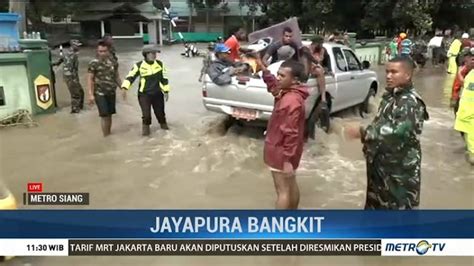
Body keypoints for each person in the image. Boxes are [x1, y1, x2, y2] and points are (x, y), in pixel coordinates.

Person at [346, 57, 429, 209]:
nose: (388, 76)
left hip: (398, 176)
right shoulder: (391, 97)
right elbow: (381, 123)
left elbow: (399, 132)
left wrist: (363, 132)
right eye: (387, 72)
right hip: (382, 171)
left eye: (394, 72)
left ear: (407, 75)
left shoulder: (410, 102)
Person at [255, 56, 309, 209]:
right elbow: (274, 88)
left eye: (282, 76)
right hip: (290, 151)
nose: (278, 78)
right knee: (291, 184)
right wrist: (264, 69)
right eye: (278, 74)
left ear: (295, 80)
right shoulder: (291, 94)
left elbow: (290, 132)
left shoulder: (289, 101)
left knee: (283, 191)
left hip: (281, 150)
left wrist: (286, 160)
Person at [121, 45, 170, 135]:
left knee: (161, 114)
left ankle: (166, 132)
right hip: (144, 95)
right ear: (146, 54)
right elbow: (130, 77)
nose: (154, 55)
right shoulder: (139, 65)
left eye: (155, 53)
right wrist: (124, 88)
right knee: (146, 116)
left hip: (157, 94)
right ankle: (146, 136)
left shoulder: (160, 64)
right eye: (152, 53)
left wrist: (166, 91)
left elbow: (164, 78)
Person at [87, 41, 121, 137]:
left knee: (110, 114)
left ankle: (108, 134)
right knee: (104, 115)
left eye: (104, 51)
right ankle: (105, 136)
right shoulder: (94, 63)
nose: (102, 53)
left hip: (111, 91)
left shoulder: (113, 62)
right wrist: (90, 94)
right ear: (97, 51)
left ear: (108, 51)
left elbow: (116, 77)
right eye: (100, 51)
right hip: (99, 92)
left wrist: (123, 88)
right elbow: (90, 79)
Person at [454, 48, 474, 165]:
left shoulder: (471, 73)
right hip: (466, 110)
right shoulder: (470, 74)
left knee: (470, 134)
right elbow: (465, 84)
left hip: (468, 111)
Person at [56, 40, 84, 113]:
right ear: (73, 46)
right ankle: (75, 111)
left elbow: (59, 61)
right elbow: (73, 68)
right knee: (76, 94)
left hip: (68, 76)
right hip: (71, 77)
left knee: (81, 92)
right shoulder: (73, 55)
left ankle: (80, 108)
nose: (79, 47)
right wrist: (74, 79)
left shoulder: (66, 53)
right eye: (77, 46)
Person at [451, 48, 474, 115]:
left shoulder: (461, 71)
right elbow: (456, 86)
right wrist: (454, 99)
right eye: (471, 58)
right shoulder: (463, 70)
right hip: (464, 101)